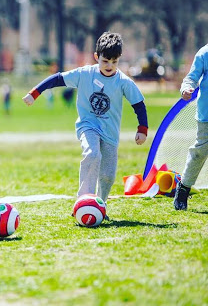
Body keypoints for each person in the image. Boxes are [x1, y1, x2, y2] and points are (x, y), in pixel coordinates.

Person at [22, 32, 148, 212]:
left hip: (110, 133)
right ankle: (83, 202)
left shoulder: (123, 82)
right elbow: (57, 79)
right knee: (92, 154)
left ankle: (100, 206)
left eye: (114, 62)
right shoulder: (84, 74)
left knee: (107, 176)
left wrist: (142, 129)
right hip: (88, 126)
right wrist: (35, 93)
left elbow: (138, 104)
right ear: (96, 57)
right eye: (105, 61)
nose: (109, 66)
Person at [174, 43, 208, 210]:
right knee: (200, 152)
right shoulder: (204, 53)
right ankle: (183, 189)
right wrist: (186, 88)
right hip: (206, 114)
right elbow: (191, 77)